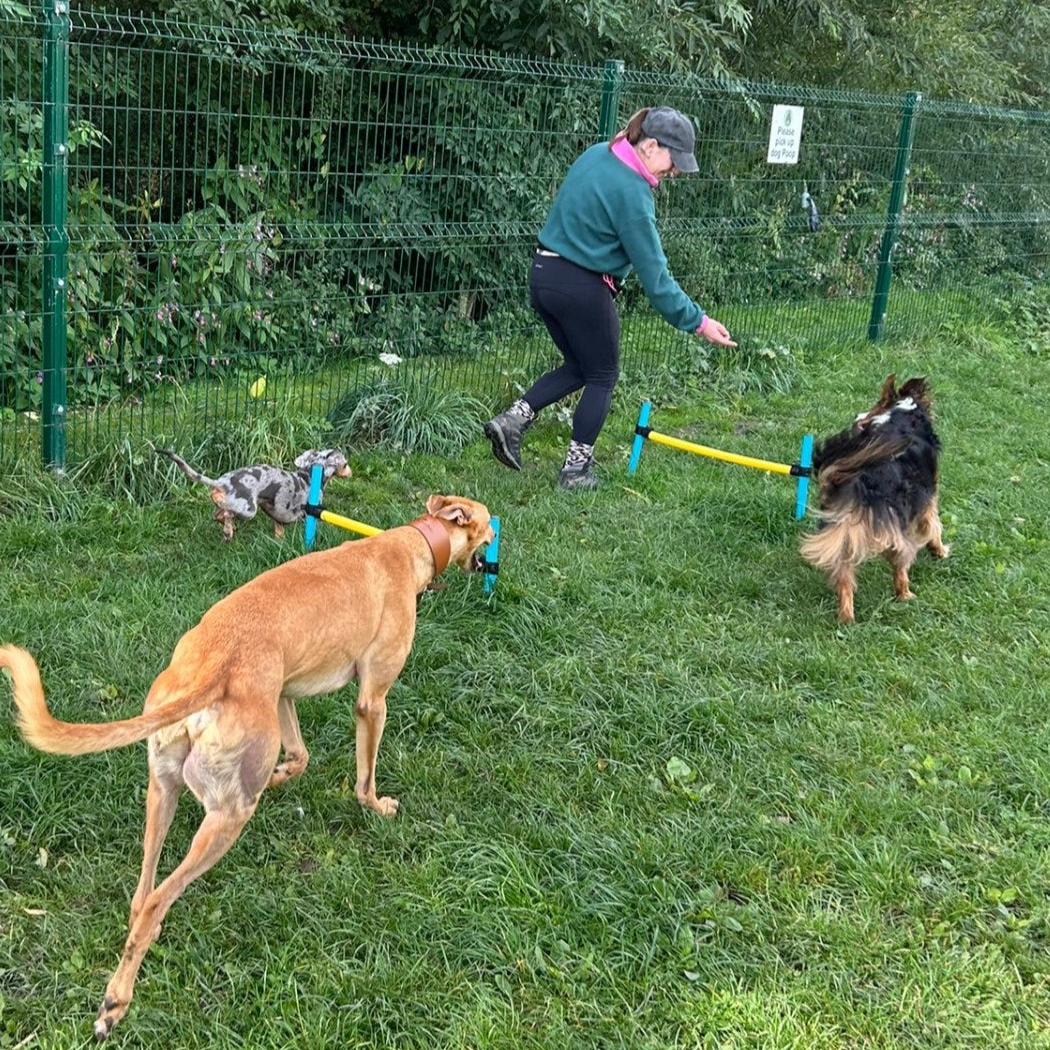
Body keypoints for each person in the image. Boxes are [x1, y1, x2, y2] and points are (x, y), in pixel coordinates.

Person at [484, 105, 737, 490]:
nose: (674, 172)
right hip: (582, 287)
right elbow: (656, 278)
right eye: (674, 161)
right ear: (650, 146)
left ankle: (514, 419)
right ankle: (575, 471)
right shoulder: (633, 193)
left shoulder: (596, 154)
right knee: (603, 375)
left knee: (580, 366)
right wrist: (698, 322)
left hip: (543, 275)